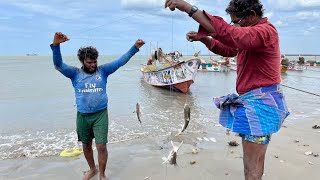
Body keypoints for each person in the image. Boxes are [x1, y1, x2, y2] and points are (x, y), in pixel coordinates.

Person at [165, 0, 290, 180]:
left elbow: (232, 35)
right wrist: (206, 39)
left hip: (260, 106)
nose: (234, 25)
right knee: (254, 165)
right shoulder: (252, 37)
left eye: (236, 21)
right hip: (256, 104)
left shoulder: (265, 32)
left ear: (252, 16)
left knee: (252, 169)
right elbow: (229, 49)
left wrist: (187, 8)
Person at [50, 32, 145, 180]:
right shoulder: (74, 74)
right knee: (86, 145)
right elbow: (58, 65)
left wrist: (135, 48)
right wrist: (56, 45)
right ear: (82, 61)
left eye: (94, 61)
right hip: (82, 115)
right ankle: (92, 169)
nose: (93, 65)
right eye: (89, 62)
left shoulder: (103, 71)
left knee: (101, 146)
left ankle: (102, 174)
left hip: (100, 114)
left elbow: (120, 61)